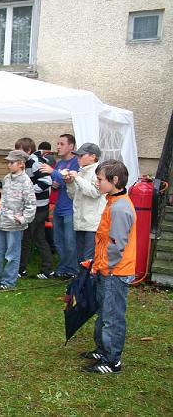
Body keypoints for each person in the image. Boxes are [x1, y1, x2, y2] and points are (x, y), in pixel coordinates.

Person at [81, 160, 136, 374]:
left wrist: (101, 265)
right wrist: (96, 261)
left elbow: (116, 245)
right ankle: (102, 349)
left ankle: (112, 361)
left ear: (114, 180)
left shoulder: (121, 208)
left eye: (100, 179)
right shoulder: (112, 201)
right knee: (104, 312)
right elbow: (104, 239)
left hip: (115, 272)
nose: (97, 182)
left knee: (112, 317)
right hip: (106, 269)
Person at [0, 150, 36, 290]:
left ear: (21, 164)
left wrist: (23, 219)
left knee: (12, 254)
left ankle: (9, 281)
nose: (9, 165)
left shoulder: (26, 182)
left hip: (14, 225)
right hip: (1, 222)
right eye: (8, 162)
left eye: (12, 162)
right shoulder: (7, 178)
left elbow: (31, 204)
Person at [40, 134, 80, 278]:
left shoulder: (76, 162)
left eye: (62, 144)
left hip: (71, 209)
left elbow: (72, 180)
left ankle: (73, 270)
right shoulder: (60, 162)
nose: (58, 146)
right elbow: (59, 181)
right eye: (57, 143)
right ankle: (63, 268)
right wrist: (55, 183)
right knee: (58, 241)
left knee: (70, 242)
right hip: (59, 207)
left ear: (71, 146)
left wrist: (53, 172)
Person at [14, 138, 53, 279]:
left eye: (19, 150)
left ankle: (21, 269)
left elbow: (47, 181)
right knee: (39, 238)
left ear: (28, 150)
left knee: (25, 238)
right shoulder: (26, 162)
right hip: (37, 206)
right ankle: (47, 268)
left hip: (38, 207)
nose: (17, 153)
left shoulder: (34, 163)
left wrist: (29, 191)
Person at [64, 143, 106, 274]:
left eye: (81, 155)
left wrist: (77, 178)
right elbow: (72, 195)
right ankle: (81, 285)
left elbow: (94, 192)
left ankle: (88, 286)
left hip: (92, 224)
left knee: (89, 260)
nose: (78, 158)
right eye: (77, 155)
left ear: (93, 156)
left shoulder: (99, 172)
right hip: (80, 222)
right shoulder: (81, 172)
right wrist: (70, 182)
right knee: (80, 259)